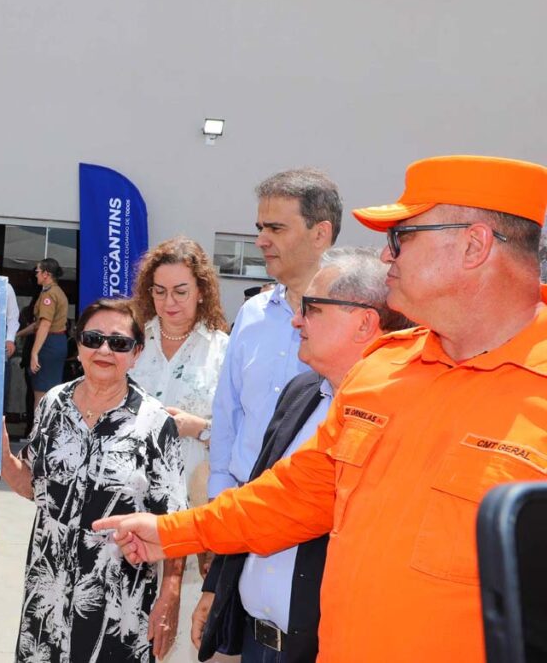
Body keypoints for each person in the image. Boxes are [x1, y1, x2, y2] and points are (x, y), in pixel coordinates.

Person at [94, 155, 547, 663]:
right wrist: (170, 533)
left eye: (403, 238)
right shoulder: (382, 372)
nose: (386, 255)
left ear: (474, 244)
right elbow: (292, 495)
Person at [193, 247, 412, 663]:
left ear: (365, 322)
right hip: (257, 643)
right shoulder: (301, 393)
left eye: (311, 309)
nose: (297, 320)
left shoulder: (399, 415)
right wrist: (216, 588)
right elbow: (259, 499)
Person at [1, 298, 187, 662]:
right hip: (48, 596)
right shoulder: (53, 404)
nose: (104, 349)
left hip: (119, 608)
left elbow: (175, 523)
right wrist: (5, 458)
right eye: (93, 338)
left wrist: (171, 593)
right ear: (78, 343)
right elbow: (35, 488)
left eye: (118, 343)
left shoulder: (154, 423)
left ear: (136, 353)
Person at [209, 168, 342, 500]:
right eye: (260, 228)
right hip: (241, 500)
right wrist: (219, 490)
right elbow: (228, 411)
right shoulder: (253, 314)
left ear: (320, 234)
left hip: (315, 514)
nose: (260, 240)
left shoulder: (358, 319)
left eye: (276, 228)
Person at [127, 236, 230, 662]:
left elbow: (244, 435)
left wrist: (199, 428)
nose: (170, 302)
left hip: (192, 516)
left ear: (201, 290)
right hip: (129, 508)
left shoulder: (224, 350)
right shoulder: (130, 343)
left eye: (181, 291)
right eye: (160, 291)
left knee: (181, 639)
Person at [17, 257, 69, 406]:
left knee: (41, 395)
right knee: (48, 393)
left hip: (48, 344)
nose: (36, 274)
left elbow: (44, 325)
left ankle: (40, 428)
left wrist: (34, 353)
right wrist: (18, 334)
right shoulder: (55, 291)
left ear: (46, 274)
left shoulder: (49, 294)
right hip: (55, 342)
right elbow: (37, 324)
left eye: (37, 271)